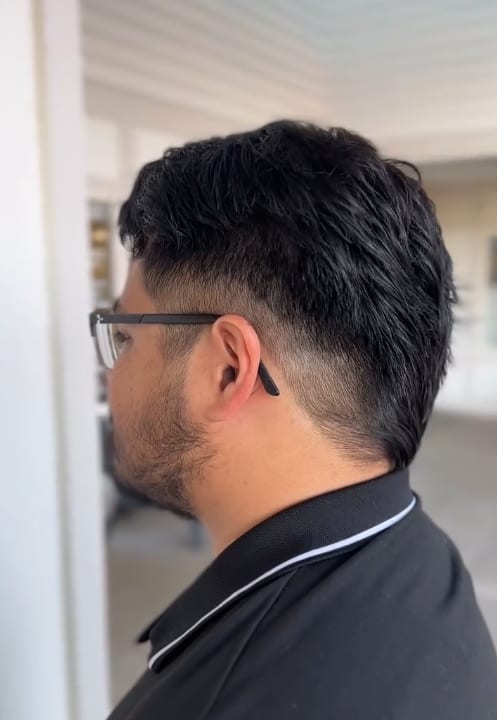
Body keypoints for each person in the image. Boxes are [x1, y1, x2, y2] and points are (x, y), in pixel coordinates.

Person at [89, 121, 497, 719]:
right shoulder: (419, 557)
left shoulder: (215, 703)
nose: (108, 374)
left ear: (228, 369)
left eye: (124, 336)